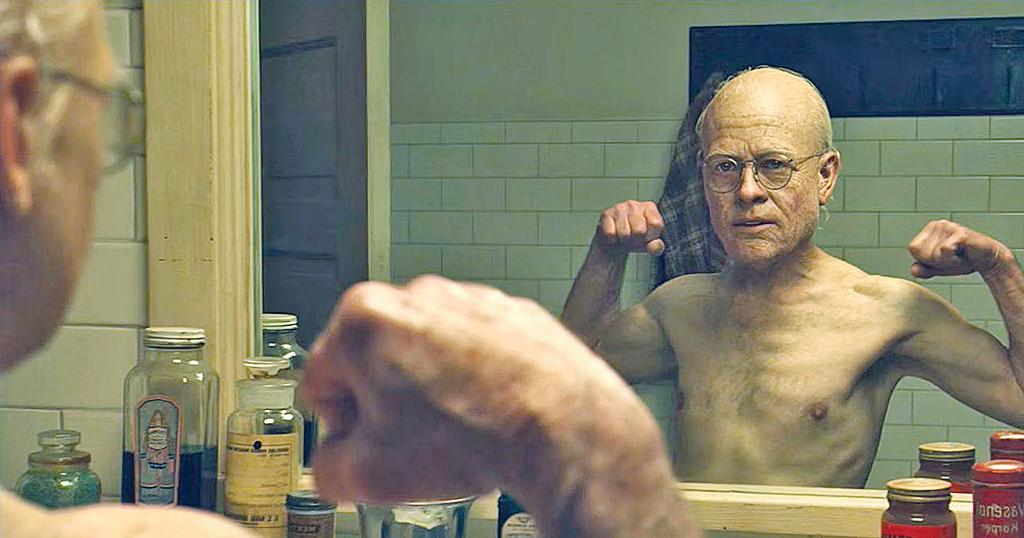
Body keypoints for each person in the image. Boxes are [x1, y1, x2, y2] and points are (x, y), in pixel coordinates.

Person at [0, 1, 698, 536]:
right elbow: (590, 354)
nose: (108, 157)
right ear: (17, 133)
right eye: (110, 116)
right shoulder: (686, 306)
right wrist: (603, 453)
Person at [563, 66, 1024, 488]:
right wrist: (606, 253)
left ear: (825, 176)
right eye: (725, 167)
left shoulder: (887, 313)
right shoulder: (678, 307)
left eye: (774, 165)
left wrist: (999, 268)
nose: (747, 191)